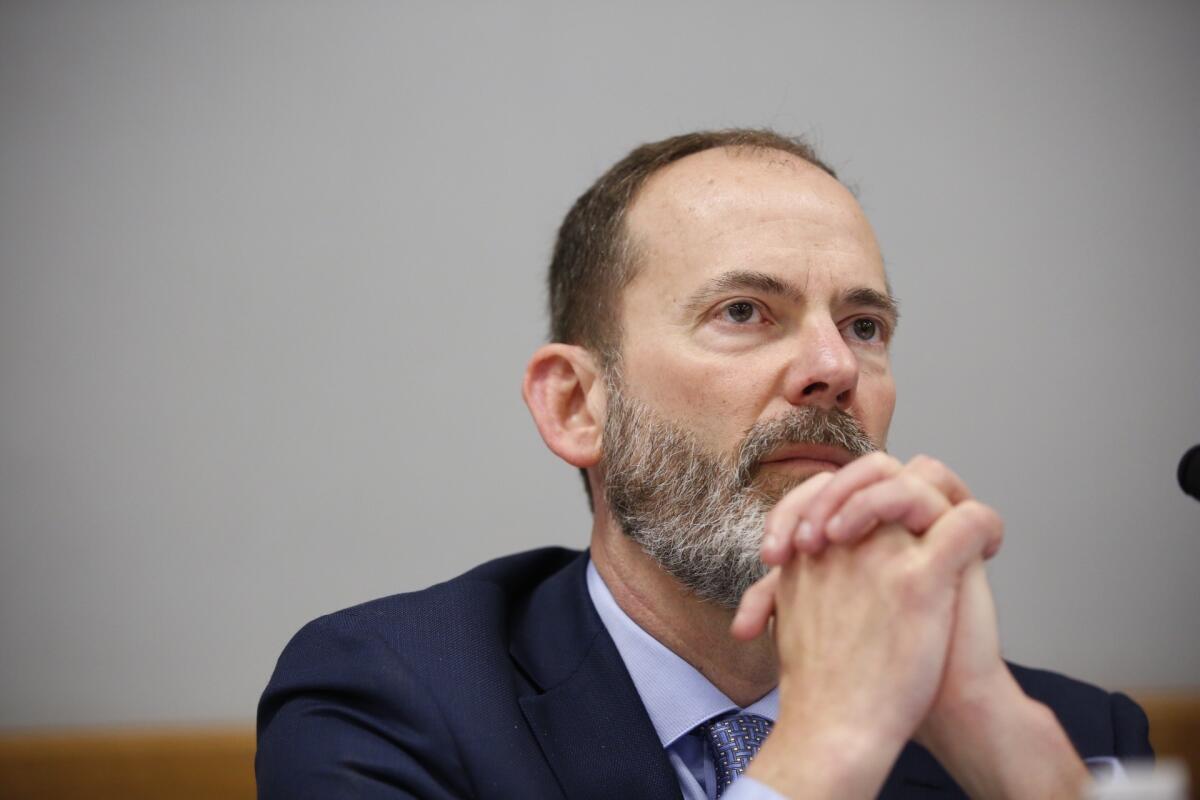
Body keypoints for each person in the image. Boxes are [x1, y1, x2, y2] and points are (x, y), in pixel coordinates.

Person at [256, 129, 1151, 799]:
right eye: (743, 312)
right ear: (576, 405)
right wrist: (823, 747)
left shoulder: (1072, 735)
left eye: (863, 326)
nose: (833, 368)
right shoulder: (391, 703)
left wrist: (1009, 755)